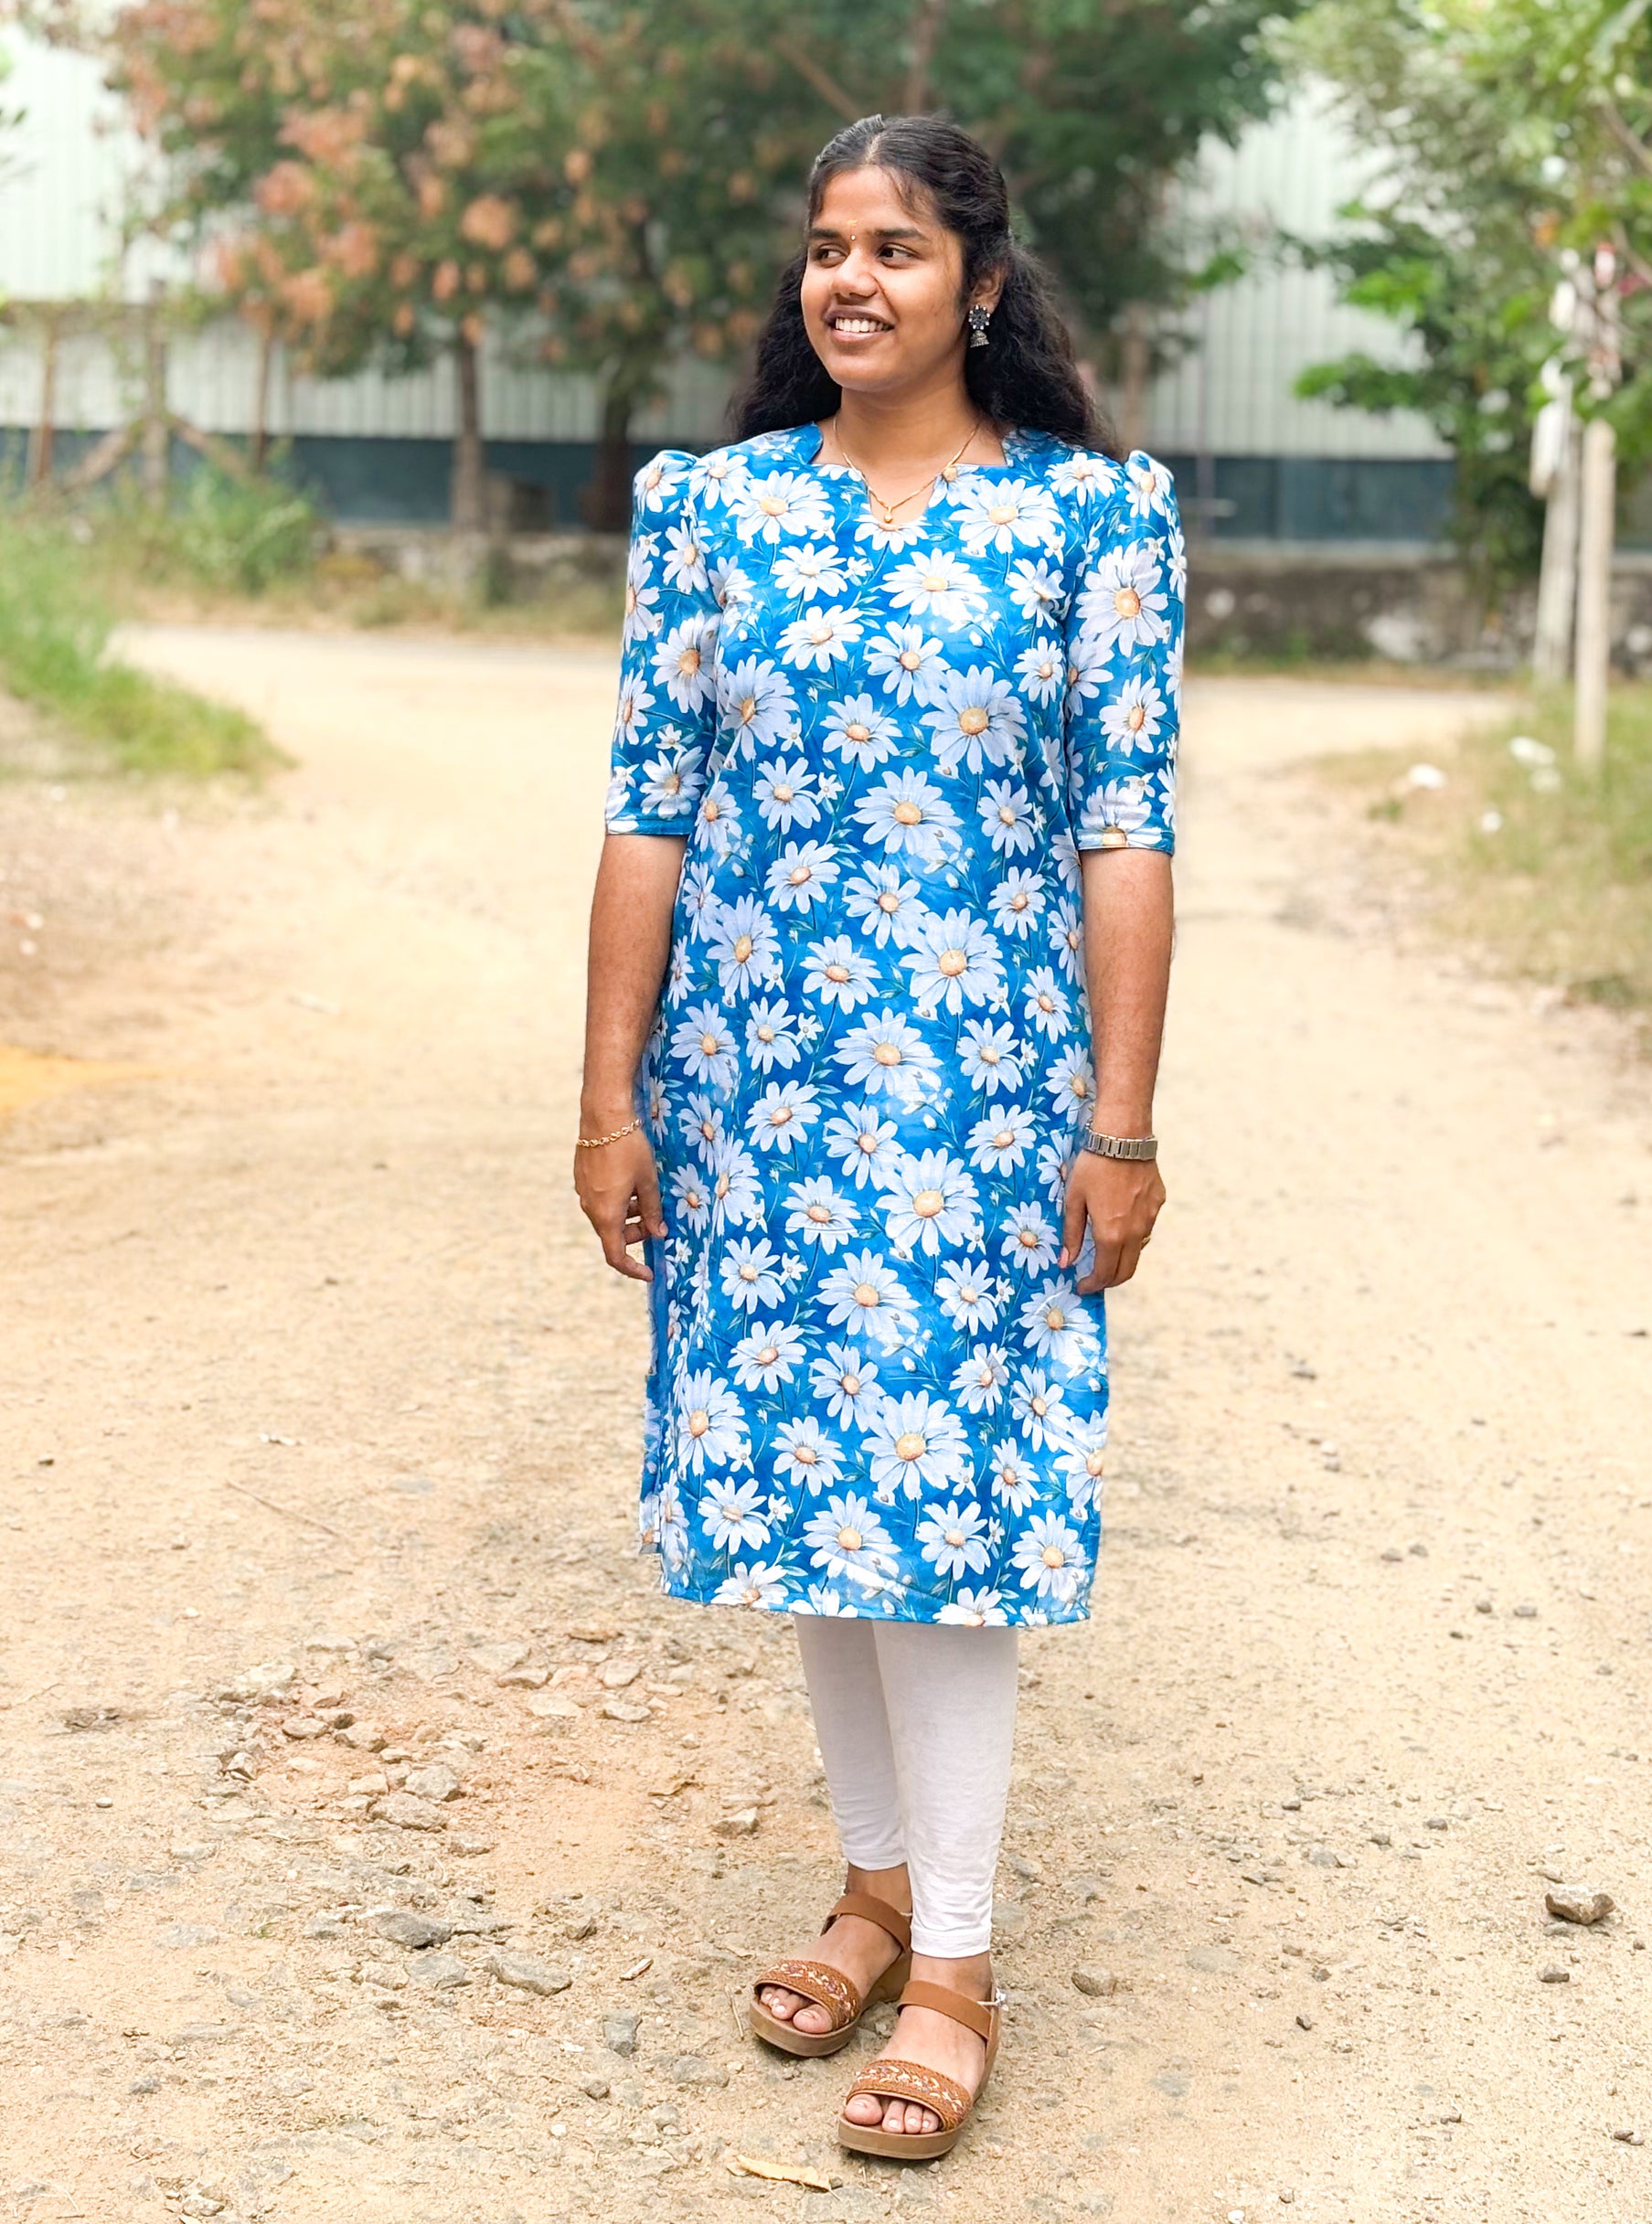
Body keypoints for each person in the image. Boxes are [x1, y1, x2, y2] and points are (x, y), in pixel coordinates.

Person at [576, 110, 1183, 2162]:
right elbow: (647, 813)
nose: (852, 278)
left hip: (979, 1107)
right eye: (828, 246)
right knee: (806, 1496)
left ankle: (961, 1965)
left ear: (978, 286)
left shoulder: (1090, 524)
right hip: (752, 1093)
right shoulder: (713, 512)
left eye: (898, 247)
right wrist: (607, 1093)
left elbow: (1124, 833)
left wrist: (1121, 1120)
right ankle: (875, 1883)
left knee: (938, 1513)